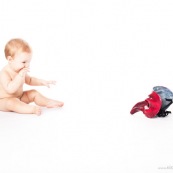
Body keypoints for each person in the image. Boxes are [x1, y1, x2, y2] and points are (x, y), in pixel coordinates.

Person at [0, 38, 64, 115]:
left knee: (34, 93)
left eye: (28, 62)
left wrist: (42, 82)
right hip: (4, 100)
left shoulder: (20, 70)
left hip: (19, 97)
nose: (27, 65)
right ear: (10, 59)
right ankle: (31, 109)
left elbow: (29, 80)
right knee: (12, 103)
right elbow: (10, 89)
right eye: (24, 62)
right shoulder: (5, 73)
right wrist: (20, 76)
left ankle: (48, 102)